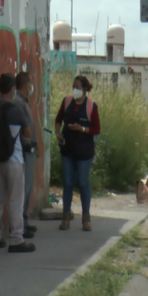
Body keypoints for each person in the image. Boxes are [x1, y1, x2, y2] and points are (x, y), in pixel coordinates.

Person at [0, 73, 35, 254]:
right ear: (13, 88)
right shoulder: (16, 110)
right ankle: (16, 239)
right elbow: (28, 133)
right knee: (15, 200)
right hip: (14, 160)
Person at [54, 75, 100, 232]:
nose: (75, 90)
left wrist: (83, 129)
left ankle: (86, 218)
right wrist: (58, 133)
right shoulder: (66, 102)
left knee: (83, 182)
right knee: (67, 183)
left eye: (78, 87)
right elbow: (58, 119)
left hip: (84, 152)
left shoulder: (91, 106)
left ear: (85, 90)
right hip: (67, 150)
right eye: (73, 86)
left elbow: (96, 129)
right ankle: (65, 217)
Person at [14, 72, 39, 238]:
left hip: (30, 149)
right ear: (25, 85)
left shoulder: (23, 102)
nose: (32, 87)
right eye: (30, 83)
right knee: (23, 188)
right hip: (25, 149)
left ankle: (23, 220)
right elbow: (23, 128)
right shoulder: (18, 102)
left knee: (27, 188)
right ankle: (20, 224)